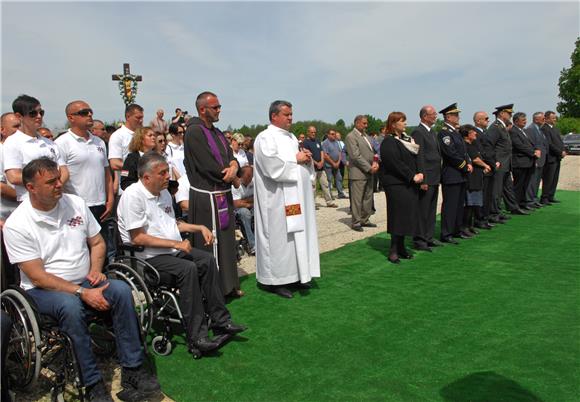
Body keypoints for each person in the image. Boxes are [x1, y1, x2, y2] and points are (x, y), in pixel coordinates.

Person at [2, 157, 160, 401]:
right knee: (70, 306)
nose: (59, 184)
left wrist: (96, 268)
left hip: (84, 280)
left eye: (59, 178)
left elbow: (97, 242)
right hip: (42, 291)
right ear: (31, 187)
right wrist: (82, 292)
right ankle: (92, 383)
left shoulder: (74, 202)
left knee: (119, 289)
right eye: (51, 181)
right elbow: (38, 276)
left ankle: (133, 369)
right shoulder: (17, 224)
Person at [117, 152, 246, 356]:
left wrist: (199, 227)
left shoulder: (164, 193)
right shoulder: (133, 196)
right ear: (146, 177)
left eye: (166, 172)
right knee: (188, 268)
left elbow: (172, 223)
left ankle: (221, 321)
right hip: (148, 258)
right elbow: (138, 238)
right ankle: (197, 337)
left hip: (169, 251)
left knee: (207, 259)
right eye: (162, 174)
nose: (168, 177)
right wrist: (176, 244)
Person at [254, 100, 320, 299]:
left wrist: (306, 158)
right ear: (274, 116)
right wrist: (296, 159)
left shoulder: (291, 137)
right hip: (275, 200)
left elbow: (298, 161)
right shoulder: (265, 138)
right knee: (279, 239)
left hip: (294, 199)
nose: (291, 117)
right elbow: (271, 167)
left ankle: (298, 275)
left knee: (296, 234)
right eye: (286, 114)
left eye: (291, 114)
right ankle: (276, 280)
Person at [183, 91, 242, 298]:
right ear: (202, 109)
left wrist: (234, 165)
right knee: (212, 242)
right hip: (207, 196)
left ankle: (229, 284)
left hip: (223, 194)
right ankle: (214, 290)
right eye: (215, 107)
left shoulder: (217, 132)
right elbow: (208, 166)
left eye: (219, 106)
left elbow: (230, 155)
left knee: (226, 241)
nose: (219, 110)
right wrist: (231, 174)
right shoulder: (194, 132)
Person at [55, 100, 114, 257]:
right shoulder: (61, 143)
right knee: (81, 251)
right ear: (71, 117)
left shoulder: (99, 141)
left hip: (100, 205)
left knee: (103, 251)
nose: (89, 115)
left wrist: (110, 199)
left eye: (90, 111)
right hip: (76, 206)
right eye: (83, 112)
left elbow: (106, 173)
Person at [3, 94, 68, 202]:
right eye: (33, 113)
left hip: (57, 199)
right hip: (31, 201)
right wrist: (47, 181)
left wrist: (54, 185)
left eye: (41, 112)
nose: (39, 116)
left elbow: (64, 171)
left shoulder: (49, 143)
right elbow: (13, 177)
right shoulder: (12, 142)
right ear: (19, 116)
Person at [379, 112, 423, 264]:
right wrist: (412, 176)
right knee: (397, 216)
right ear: (393, 124)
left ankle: (401, 247)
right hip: (396, 185)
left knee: (406, 216)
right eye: (402, 121)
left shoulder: (406, 140)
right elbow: (395, 164)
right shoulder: (388, 142)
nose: (405, 123)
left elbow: (413, 158)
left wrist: (419, 174)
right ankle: (393, 249)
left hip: (408, 184)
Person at [437, 103, 472, 244]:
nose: (458, 117)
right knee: (450, 206)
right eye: (455, 115)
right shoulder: (444, 133)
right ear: (448, 117)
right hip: (452, 174)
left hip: (460, 175)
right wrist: (464, 166)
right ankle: (446, 233)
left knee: (459, 205)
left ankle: (457, 229)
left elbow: (464, 151)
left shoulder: (455, 132)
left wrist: (468, 162)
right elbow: (450, 153)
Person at [411, 105, 442, 251]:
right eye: (433, 114)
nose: (435, 116)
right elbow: (420, 156)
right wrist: (423, 179)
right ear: (424, 116)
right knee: (422, 210)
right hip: (427, 177)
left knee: (431, 210)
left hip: (435, 176)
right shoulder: (418, 132)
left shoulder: (432, 132)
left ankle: (428, 236)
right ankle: (419, 239)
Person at [345, 115, 378, 232]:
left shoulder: (367, 137)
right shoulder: (351, 136)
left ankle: (365, 219)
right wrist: (369, 168)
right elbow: (355, 156)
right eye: (364, 123)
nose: (366, 125)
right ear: (357, 123)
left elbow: (374, 151)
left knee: (368, 197)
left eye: (366, 123)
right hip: (358, 173)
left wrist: (375, 162)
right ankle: (356, 222)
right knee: (357, 199)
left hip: (370, 172)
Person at [461, 124, 491, 235]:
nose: (476, 133)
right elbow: (475, 159)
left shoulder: (473, 144)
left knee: (474, 204)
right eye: (473, 132)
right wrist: (485, 165)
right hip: (471, 178)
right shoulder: (466, 145)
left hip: (477, 177)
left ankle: (470, 225)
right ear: (467, 135)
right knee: (469, 203)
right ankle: (465, 226)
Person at [108, 104, 144, 193]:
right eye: (138, 118)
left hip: (145, 186)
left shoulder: (143, 135)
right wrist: (137, 168)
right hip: (126, 188)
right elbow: (114, 163)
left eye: (142, 117)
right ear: (128, 117)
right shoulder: (118, 136)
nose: (141, 121)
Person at [509, 112, 540, 209]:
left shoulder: (524, 131)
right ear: (516, 121)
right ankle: (516, 205)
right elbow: (519, 146)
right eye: (523, 120)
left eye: (525, 120)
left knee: (525, 185)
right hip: (520, 163)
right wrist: (533, 153)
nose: (525, 122)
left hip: (528, 162)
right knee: (519, 185)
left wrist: (536, 149)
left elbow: (530, 143)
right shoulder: (513, 131)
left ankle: (523, 203)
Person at [302, 126, 337, 208]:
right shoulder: (305, 142)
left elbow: (322, 152)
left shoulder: (317, 141)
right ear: (308, 132)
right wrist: (315, 162)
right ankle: (313, 204)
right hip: (312, 168)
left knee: (325, 184)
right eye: (312, 132)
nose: (313, 134)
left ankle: (329, 202)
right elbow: (307, 155)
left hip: (321, 167)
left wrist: (321, 161)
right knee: (313, 186)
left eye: (314, 132)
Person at [472, 111, 496, 229]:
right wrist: (488, 165)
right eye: (486, 118)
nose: (488, 120)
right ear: (478, 121)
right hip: (484, 168)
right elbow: (481, 152)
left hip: (490, 167)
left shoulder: (485, 133)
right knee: (482, 196)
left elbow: (491, 150)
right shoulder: (475, 133)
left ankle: (485, 217)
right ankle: (480, 219)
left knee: (488, 195)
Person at [540, 110, 566, 204]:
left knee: (555, 178)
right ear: (546, 119)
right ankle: (544, 197)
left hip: (557, 157)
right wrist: (559, 152)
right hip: (550, 158)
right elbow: (549, 144)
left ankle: (551, 195)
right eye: (553, 118)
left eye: (555, 118)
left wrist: (563, 150)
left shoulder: (555, 128)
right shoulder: (545, 129)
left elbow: (559, 141)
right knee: (548, 179)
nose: (555, 119)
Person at [525, 112, 548, 208]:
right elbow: (532, 145)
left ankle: (534, 198)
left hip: (541, 160)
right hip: (535, 159)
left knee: (537, 181)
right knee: (532, 181)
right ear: (536, 119)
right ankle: (529, 200)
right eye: (543, 119)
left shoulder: (539, 129)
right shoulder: (531, 129)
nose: (544, 120)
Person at [232, 165, 255, 254]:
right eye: (248, 176)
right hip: (238, 210)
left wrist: (245, 202)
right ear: (241, 176)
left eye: (251, 175)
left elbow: (256, 197)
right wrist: (250, 201)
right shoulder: (236, 185)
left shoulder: (253, 182)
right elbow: (236, 203)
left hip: (250, 206)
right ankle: (253, 245)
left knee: (258, 211)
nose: (250, 178)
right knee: (245, 213)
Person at [322, 129, 347, 199]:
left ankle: (340, 193)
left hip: (337, 164)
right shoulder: (325, 143)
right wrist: (333, 163)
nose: (334, 135)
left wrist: (338, 162)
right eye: (332, 134)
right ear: (328, 135)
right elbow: (325, 155)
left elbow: (339, 152)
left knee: (339, 178)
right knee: (329, 180)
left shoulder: (336, 142)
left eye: (334, 134)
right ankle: (329, 195)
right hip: (328, 165)